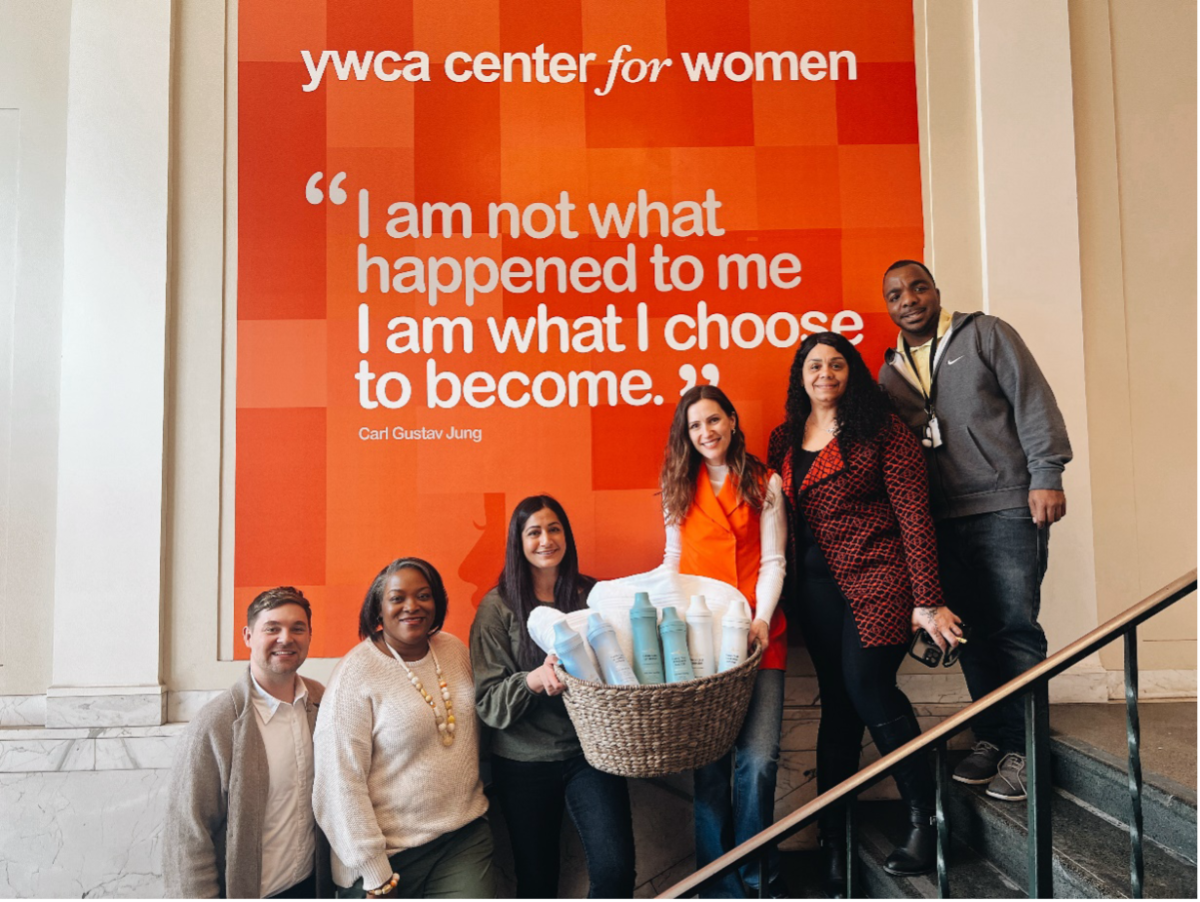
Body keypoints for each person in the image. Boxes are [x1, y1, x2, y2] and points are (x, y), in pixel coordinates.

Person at [768, 333, 962, 900]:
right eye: (813, 365)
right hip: (815, 595)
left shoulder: (883, 433)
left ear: (851, 372)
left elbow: (915, 518)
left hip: (879, 582)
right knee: (838, 711)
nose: (824, 373)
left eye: (836, 364)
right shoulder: (784, 437)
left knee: (868, 687)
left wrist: (926, 599)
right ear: (799, 375)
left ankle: (927, 820)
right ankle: (835, 841)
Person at [878, 260, 1072, 802]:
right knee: (970, 635)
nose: (909, 299)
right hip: (941, 520)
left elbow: (1034, 400)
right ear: (888, 306)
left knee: (1013, 629)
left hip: (1007, 503)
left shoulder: (986, 333)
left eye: (918, 286)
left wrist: (1047, 474)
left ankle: (1027, 752)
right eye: (896, 294)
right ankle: (993, 736)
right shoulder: (890, 371)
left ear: (936, 290)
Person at [469, 495, 636, 901]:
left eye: (554, 528)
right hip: (522, 762)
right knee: (537, 882)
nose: (546, 540)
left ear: (567, 535)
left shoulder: (592, 596)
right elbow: (488, 702)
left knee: (616, 871)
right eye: (534, 532)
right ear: (518, 542)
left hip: (591, 755)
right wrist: (534, 680)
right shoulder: (497, 608)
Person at [660, 385, 788, 901]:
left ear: (733, 421)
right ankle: (717, 885)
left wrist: (761, 619)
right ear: (685, 435)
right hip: (700, 645)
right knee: (709, 765)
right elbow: (671, 558)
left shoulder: (766, 481)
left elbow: (775, 560)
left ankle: (757, 880)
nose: (706, 432)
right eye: (694, 426)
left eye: (713, 420)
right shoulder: (678, 483)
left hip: (761, 638)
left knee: (757, 762)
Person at [313, 558, 494, 901]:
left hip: (461, 838)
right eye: (397, 598)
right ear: (378, 610)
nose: (412, 606)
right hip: (387, 857)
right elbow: (338, 784)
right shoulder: (355, 675)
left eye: (423, 595)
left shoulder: (454, 650)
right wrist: (375, 876)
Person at [163, 586, 333, 900]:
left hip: (312, 887)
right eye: (272, 628)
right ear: (248, 636)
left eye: (297, 628)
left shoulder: (322, 702)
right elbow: (187, 834)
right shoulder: (216, 724)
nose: (286, 638)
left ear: (309, 635)